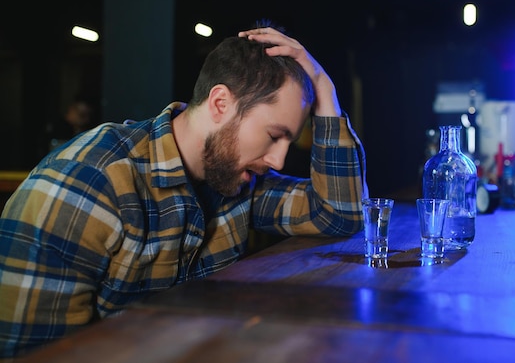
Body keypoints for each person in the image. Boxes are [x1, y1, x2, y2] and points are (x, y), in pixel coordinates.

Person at [0, 24, 368, 358]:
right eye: (274, 136)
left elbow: (339, 214)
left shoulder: (234, 178)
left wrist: (324, 87)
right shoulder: (89, 183)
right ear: (221, 103)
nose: (279, 161)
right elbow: (33, 353)